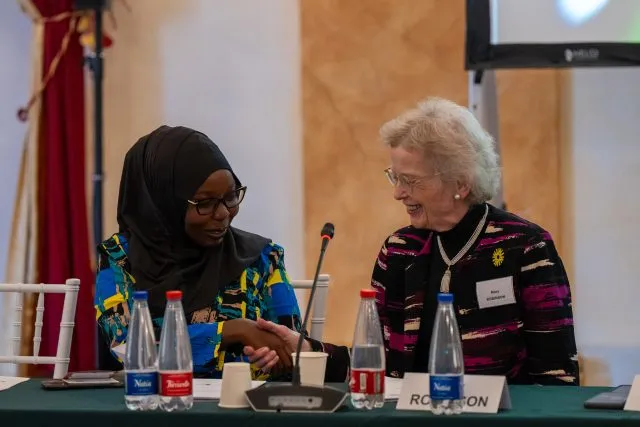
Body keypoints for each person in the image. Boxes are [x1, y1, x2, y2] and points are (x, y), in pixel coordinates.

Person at [94, 125, 349, 381]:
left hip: (246, 410)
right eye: (205, 203)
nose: (224, 213)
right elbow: (128, 346)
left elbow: (288, 341)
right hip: (158, 408)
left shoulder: (261, 257)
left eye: (231, 197)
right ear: (164, 204)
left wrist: (274, 359)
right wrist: (232, 330)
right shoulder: (119, 257)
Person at [371, 97, 579, 385]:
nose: (398, 193)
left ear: (461, 184)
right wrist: (310, 350)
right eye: (395, 177)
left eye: (410, 180)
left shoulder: (525, 246)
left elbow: (556, 376)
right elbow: (375, 361)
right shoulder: (400, 250)